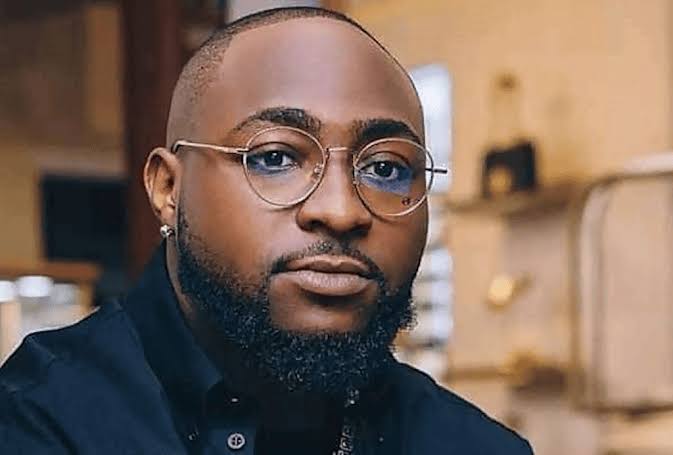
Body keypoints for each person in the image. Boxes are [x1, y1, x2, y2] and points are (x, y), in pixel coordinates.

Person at [0, 7, 533, 454]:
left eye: (385, 168)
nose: (341, 211)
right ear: (168, 189)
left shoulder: (472, 446)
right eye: (275, 157)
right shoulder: (40, 421)